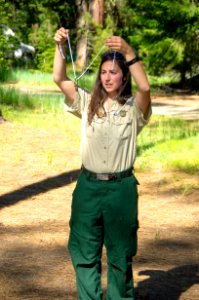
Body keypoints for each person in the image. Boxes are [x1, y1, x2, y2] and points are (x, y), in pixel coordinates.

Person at [53, 27, 152, 300]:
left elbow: (145, 86)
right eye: (104, 72)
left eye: (114, 72)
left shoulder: (134, 108)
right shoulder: (86, 103)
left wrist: (129, 53)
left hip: (121, 189)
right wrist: (60, 46)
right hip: (87, 188)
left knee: (120, 256)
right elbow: (58, 77)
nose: (108, 77)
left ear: (124, 76)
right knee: (84, 253)